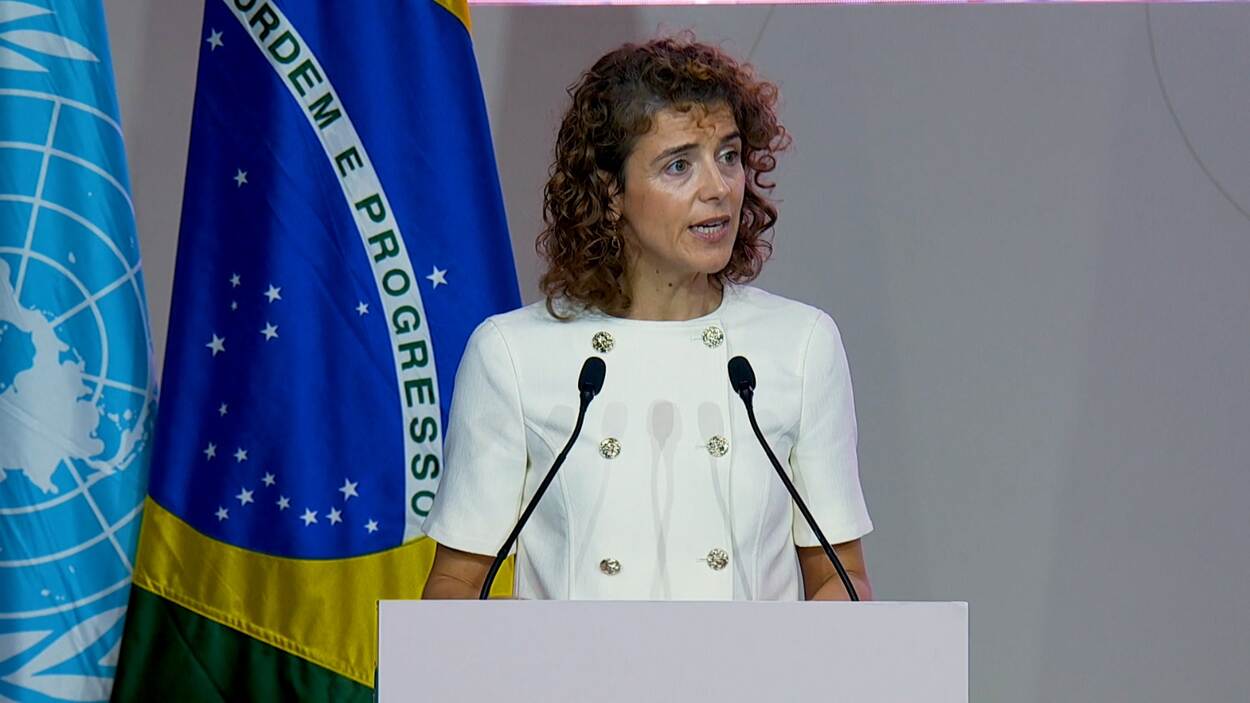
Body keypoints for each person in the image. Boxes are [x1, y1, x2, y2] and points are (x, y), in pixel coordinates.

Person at [421, 36, 873, 600]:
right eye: (679, 165)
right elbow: (459, 582)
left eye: (728, 156)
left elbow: (839, 576)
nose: (718, 188)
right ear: (611, 192)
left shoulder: (800, 345)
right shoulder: (513, 354)